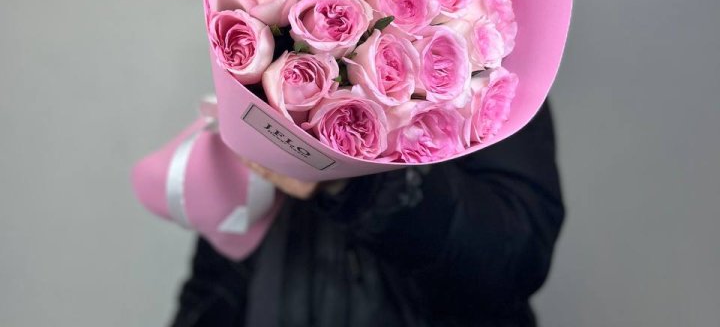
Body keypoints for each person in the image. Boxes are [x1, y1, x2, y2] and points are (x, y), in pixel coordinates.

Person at [168, 99, 564, 327]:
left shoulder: (488, 70)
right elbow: (219, 278)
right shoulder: (265, 73)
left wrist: (356, 182)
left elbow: (516, 256)